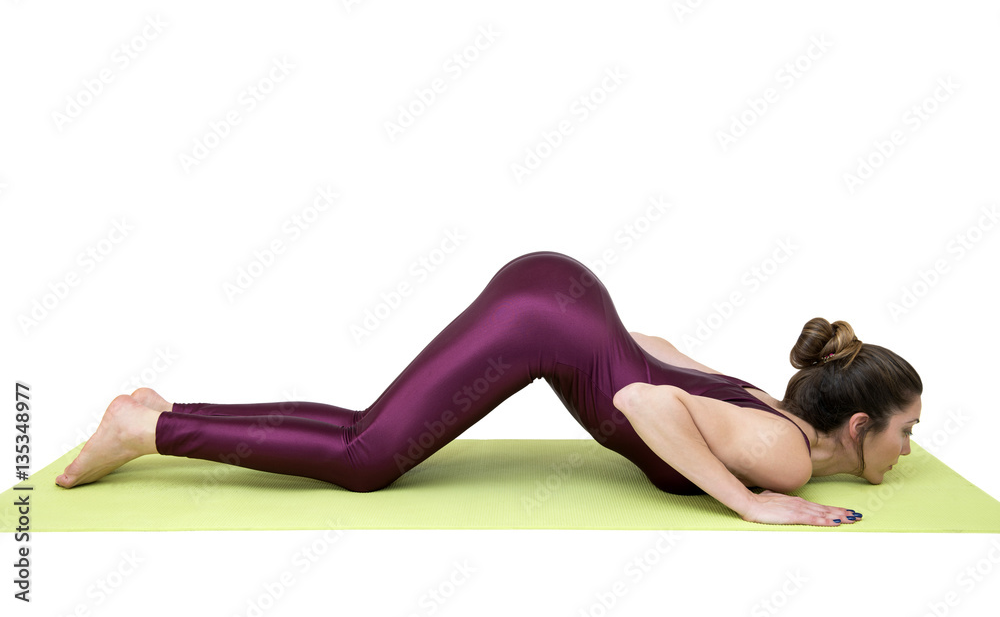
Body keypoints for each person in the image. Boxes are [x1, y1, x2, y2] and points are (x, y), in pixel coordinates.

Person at [55, 251, 922, 526]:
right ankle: (148, 429)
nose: (910, 448)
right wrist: (749, 503)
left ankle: (162, 416)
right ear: (858, 423)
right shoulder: (783, 456)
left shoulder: (777, 407)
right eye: (906, 431)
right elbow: (646, 400)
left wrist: (596, 350)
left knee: (368, 431)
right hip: (548, 319)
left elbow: (655, 355)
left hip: (563, 300)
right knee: (368, 458)